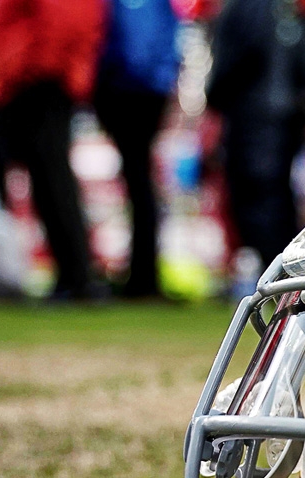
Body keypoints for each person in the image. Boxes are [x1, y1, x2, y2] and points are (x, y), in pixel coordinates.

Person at [0, 0, 106, 300]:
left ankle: (77, 277)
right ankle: (72, 276)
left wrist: (20, 69)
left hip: (37, 82)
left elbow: (63, 25)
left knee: (53, 182)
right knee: (49, 183)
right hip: (31, 79)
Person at [207, 0, 305, 297]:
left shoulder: (246, 7)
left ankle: (275, 283)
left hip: (254, 115)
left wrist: (214, 92)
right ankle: (288, 280)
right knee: (277, 199)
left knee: (257, 202)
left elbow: (236, 56)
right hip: (283, 116)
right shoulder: (286, 8)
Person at [96, 0, 182, 298]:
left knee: (139, 185)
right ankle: (143, 273)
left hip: (132, 92)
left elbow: (136, 50)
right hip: (146, 91)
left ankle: (143, 278)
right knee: (141, 184)